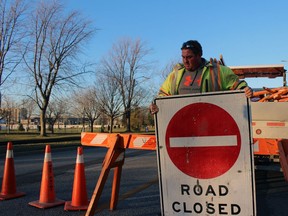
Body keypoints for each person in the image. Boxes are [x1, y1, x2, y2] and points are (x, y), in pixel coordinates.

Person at [150, 40, 253, 114]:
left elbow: (238, 86)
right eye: (183, 57)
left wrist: (245, 89)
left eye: (189, 57)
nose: (185, 61)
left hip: (211, 124)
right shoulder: (175, 74)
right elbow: (162, 96)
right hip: (183, 125)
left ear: (199, 55)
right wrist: (154, 106)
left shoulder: (217, 71)